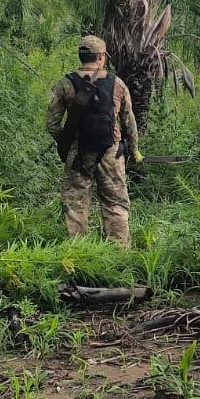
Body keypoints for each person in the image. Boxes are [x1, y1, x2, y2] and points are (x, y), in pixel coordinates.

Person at [46, 35, 143, 247]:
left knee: (76, 204)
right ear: (101, 57)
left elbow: (52, 124)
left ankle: (79, 254)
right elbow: (129, 122)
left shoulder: (65, 84)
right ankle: (118, 255)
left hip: (79, 154)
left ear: (81, 57)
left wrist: (68, 144)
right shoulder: (117, 84)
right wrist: (134, 150)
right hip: (112, 154)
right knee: (115, 204)